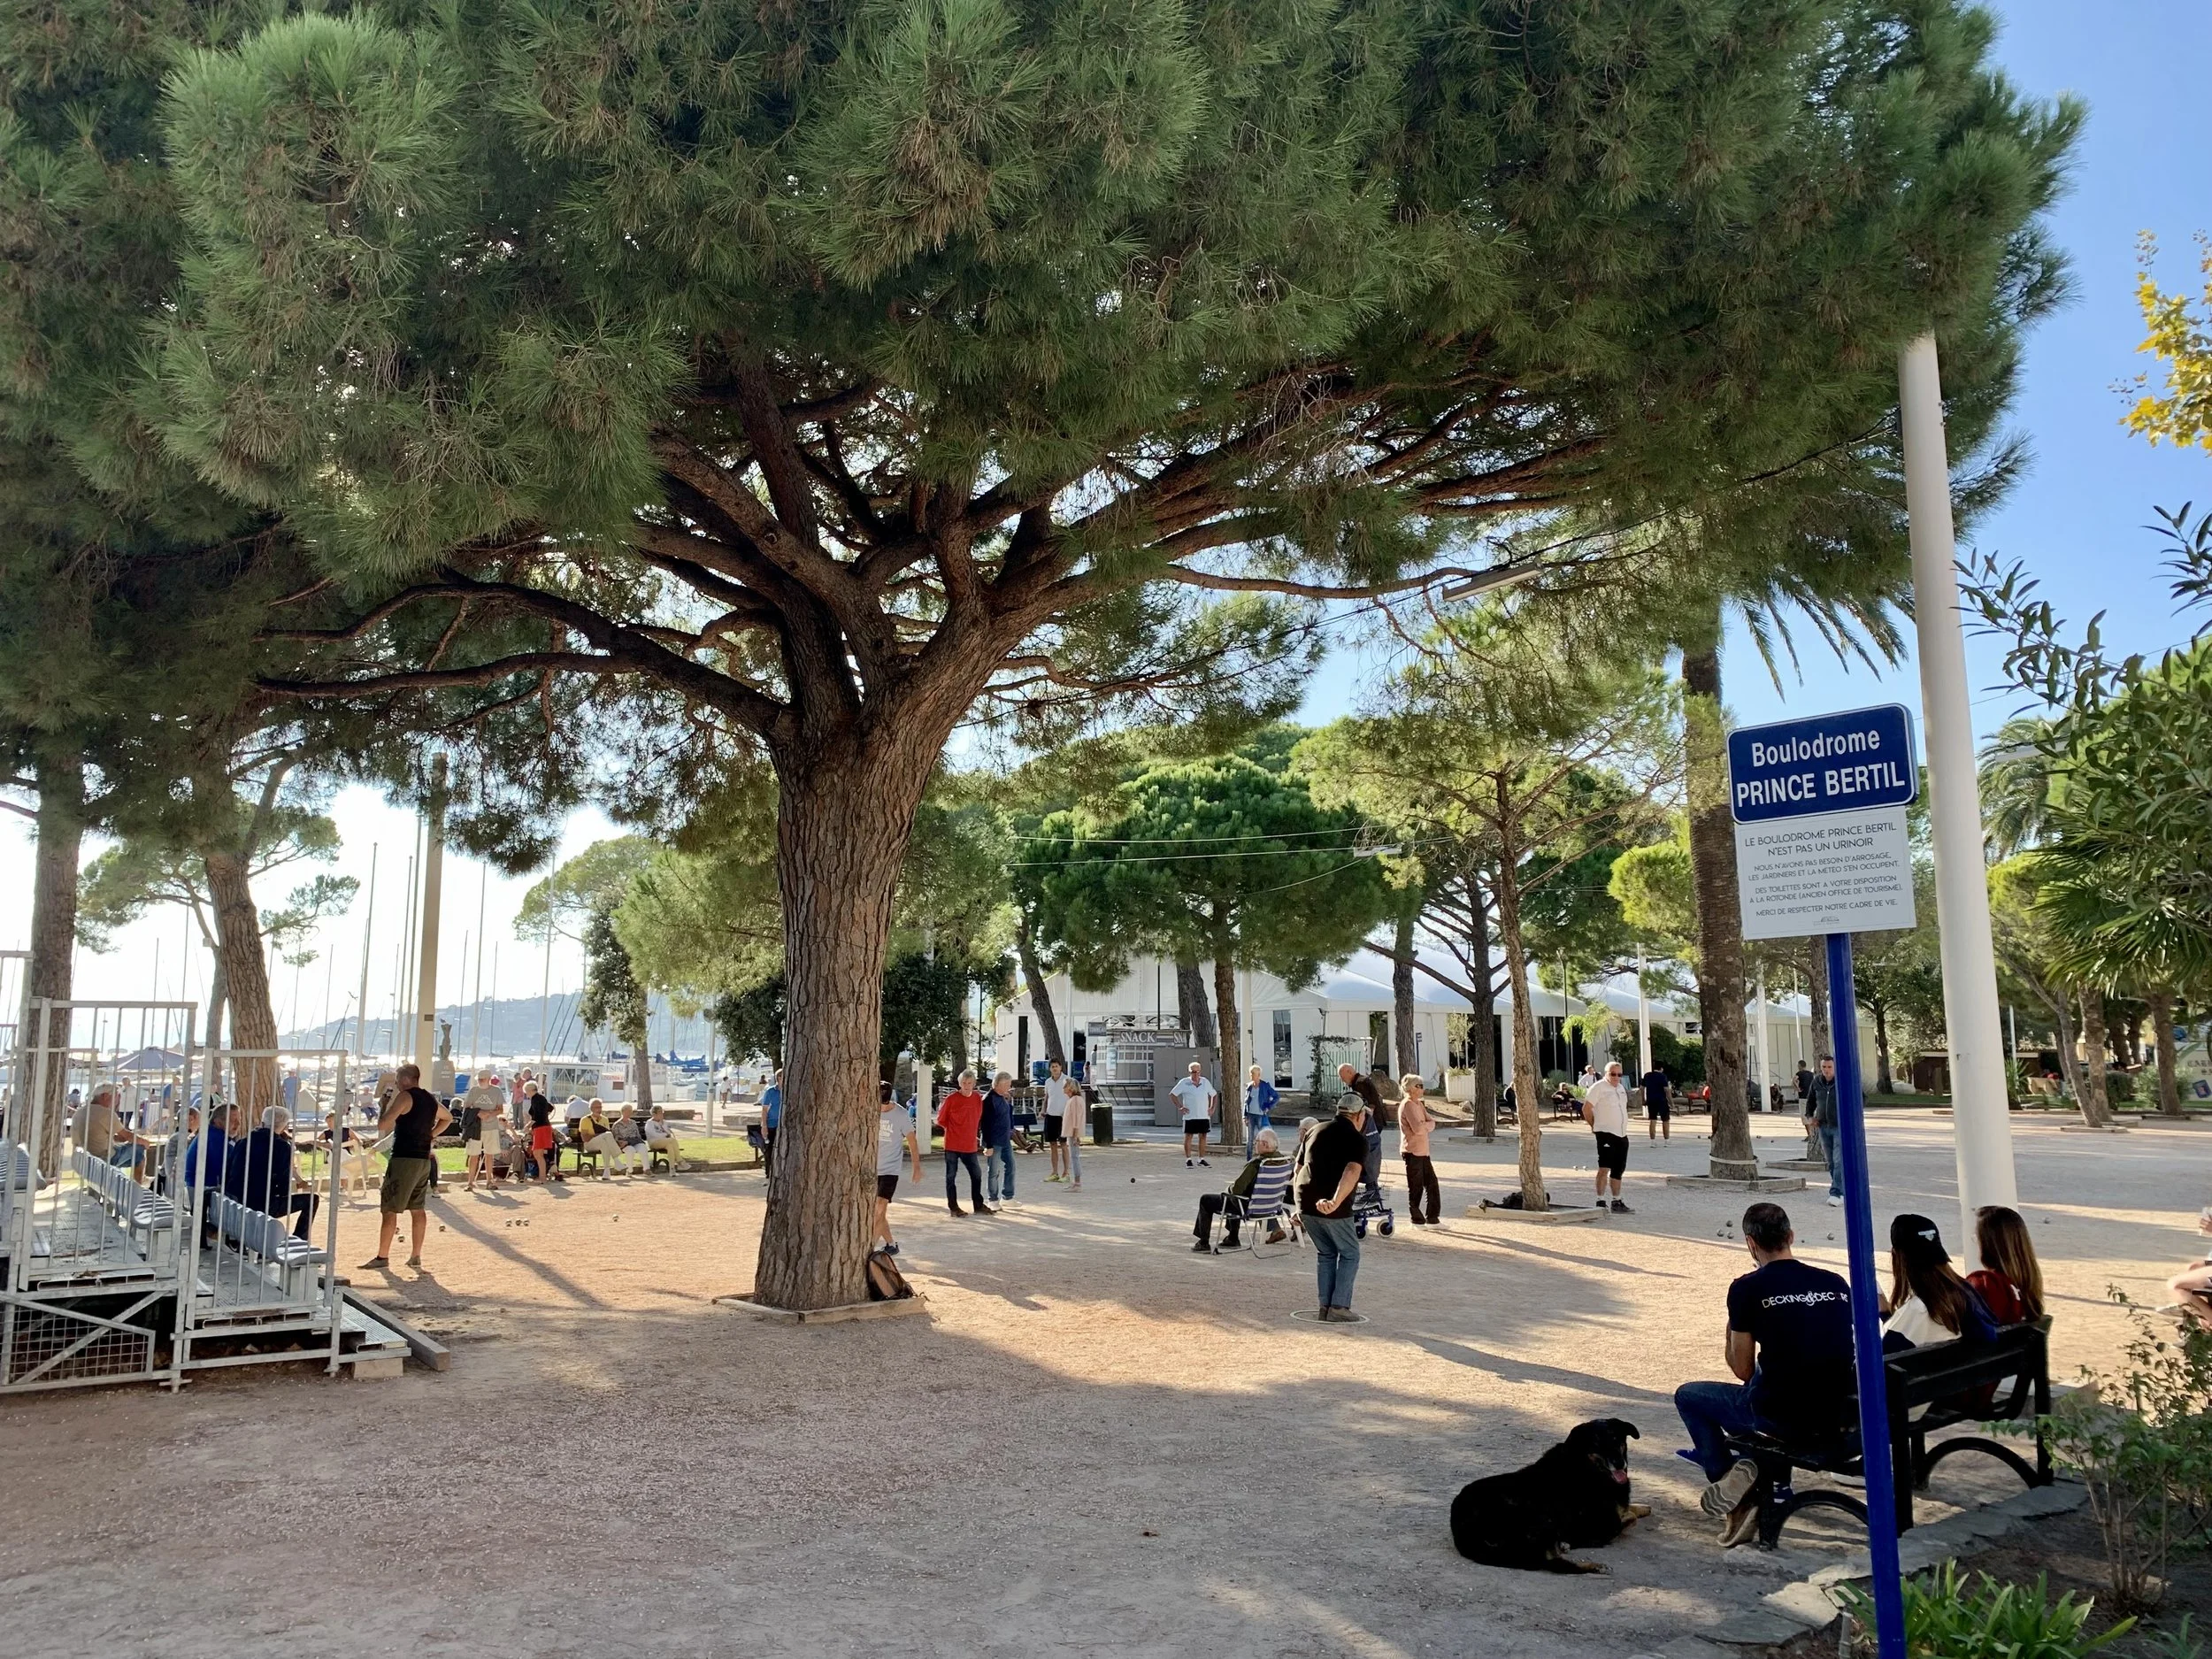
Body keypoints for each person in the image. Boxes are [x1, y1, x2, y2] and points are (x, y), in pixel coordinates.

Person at [1672, 1202, 1855, 1548]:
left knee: (1689, 1396)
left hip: (1782, 1419)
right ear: (1791, 1236)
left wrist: (1732, 1326)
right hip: (1838, 1413)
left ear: (1750, 1244)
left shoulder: (1747, 1288)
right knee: (1779, 1372)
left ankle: (1730, 1482)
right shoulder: (1834, 1282)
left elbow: (1740, 1368)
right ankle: (1760, 1472)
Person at [362, 1063, 449, 1271]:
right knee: (417, 1208)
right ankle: (415, 1255)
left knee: (390, 1208)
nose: (396, 1084)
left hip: (403, 1159)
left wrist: (384, 1104)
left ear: (406, 1079)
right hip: (423, 1159)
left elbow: (383, 1124)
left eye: (398, 1079)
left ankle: (383, 1256)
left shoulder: (405, 1097)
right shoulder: (429, 1098)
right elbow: (448, 1118)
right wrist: (430, 1135)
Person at [1883, 1213, 2000, 1351]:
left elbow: (1883, 1355)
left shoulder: (1918, 1311)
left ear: (1897, 1257)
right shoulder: (1968, 1294)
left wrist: (1883, 1314)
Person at [1301, 1102, 1370, 1321]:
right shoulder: (1357, 1139)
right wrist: (1335, 1201)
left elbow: (1299, 1168)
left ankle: (1325, 1307)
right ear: (1358, 1115)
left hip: (1306, 1203)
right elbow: (1352, 1172)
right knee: (1350, 1253)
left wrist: (1297, 1207)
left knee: (1326, 1253)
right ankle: (1339, 1306)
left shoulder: (1315, 1130)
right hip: (1333, 1207)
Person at [1192, 1127, 1286, 1250]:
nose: (1255, 1144)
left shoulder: (1257, 1164)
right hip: (1271, 1206)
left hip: (1249, 1207)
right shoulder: (1283, 1161)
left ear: (1265, 1144)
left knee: (1208, 1199)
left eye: (1256, 1141)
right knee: (1233, 1197)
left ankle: (1204, 1242)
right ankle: (1232, 1238)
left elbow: (1237, 1189)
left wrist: (1229, 1189)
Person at [234, 1106, 319, 1240]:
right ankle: (301, 1238)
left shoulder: (243, 1142)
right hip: (263, 1204)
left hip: (237, 1199)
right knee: (312, 1200)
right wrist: (285, 1193)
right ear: (284, 1126)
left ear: (263, 1122)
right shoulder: (282, 1147)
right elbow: (284, 1183)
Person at [875, 1081, 922, 1253]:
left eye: (885, 1104)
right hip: (872, 1169)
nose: (882, 1108)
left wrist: (916, 1168)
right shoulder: (869, 1110)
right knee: (877, 1212)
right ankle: (891, 1244)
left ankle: (868, 1251)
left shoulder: (901, 1114)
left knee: (879, 1210)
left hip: (890, 1169)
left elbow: (912, 1141)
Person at [1581, 1060, 1632, 1213]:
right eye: (1613, 1074)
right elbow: (1586, 1109)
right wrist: (1594, 1126)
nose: (1616, 1077)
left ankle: (1616, 1200)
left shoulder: (1621, 1088)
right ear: (1606, 1074)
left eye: (1619, 1074)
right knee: (1604, 1167)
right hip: (1605, 1133)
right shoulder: (1598, 1087)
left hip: (1621, 1134)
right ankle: (1600, 1200)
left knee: (1619, 1169)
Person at [936, 1070, 991, 1216]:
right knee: (951, 1177)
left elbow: (979, 1117)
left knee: (976, 1175)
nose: (966, 1086)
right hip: (952, 1145)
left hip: (969, 1145)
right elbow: (941, 1120)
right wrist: (956, 1129)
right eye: (964, 1083)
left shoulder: (977, 1098)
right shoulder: (951, 1099)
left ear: (974, 1084)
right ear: (959, 1084)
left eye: (969, 1083)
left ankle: (978, 1205)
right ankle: (954, 1207)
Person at [1333, 1064, 1386, 1197]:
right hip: (1372, 1122)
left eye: (1342, 1076)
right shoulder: (1362, 1081)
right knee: (1368, 1153)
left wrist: (1365, 1120)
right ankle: (1371, 1187)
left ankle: (1371, 1189)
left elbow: (1370, 1104)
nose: (1342, 1080)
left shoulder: (1360, 1083)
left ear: (1349, 1072)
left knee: (1366, 1153)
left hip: (1369, 1124)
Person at [1397, 1072, 1440, 1226]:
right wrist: (1425, 1126)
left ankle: (1433, 1218)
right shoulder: (1408, 1104)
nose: (1422, 1089)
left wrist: (1425, 1125)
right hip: (1412, 1151)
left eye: (1422, 1086)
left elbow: (1432, 1122)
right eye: (1419, 1086)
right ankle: (1416, 1219)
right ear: (1410, 1088)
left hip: (1423, 1152)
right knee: (1416, 1187)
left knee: (1432, 1184)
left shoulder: (1419, 1104)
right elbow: (1418, 1129)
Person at [1802, 1056, 1841, 1206]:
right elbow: (1811, 1101)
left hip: (1839, 1127)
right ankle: (1841, 1189)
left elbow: (1861, 1099)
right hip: (1823, 1126)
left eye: (1829, 1067)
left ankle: (1836, 1192)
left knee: (1838, 1160)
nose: (1826, 1070)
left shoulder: (1841, 1081)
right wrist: (1810, 1117)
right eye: (1824, 1067)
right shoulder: (1817, 1082)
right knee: (1831, 1161)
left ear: (1835, 1067)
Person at [460, 1070, 507, 1192]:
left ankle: (489, 1181)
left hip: (491, 1127)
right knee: (473, 1155)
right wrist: (479, 1113)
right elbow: (466, 1107)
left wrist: (490, 1114)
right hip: (475, 1127)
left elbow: (500, 1109)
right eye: (479, 1079)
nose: (480, 1081)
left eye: (482, 1079)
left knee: (489, 1155)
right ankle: (470, 1182)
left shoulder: (496, 1091)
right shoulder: (473, 1090)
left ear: (489, 1079)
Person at [1042, 1059, 1083, 1187]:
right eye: (1052, 1066)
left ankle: (1066, 1172)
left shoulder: (1067, 1081)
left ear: (1061, 1067)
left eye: (1056, 1066)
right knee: (1052, 1144)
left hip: (1063, 1116)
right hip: (1051, 1115)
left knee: (1064, 1144)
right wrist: (1043, 1110)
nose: (1054, 1068)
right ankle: (1054, 1172)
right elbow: (1047, 1097)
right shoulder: (1048, 1082)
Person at [1173, 1061, 1218, 1166]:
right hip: (1190, 1115)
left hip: (1203, 1114)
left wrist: (1212, 1108)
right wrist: (1180, 1106)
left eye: (1198, 1072)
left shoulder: (1205, 1082)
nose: (1196, 1074)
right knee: (1189, 1136)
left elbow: (1214, 1094)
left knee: (1203, 1136)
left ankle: (1201, 1159)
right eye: (1193, 1072)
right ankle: (1188, 1159)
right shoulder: (1184, 1082)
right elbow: (1173, 1094)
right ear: (1189, 1072)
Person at [578, 1099, 620, 1179]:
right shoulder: (585, 1120)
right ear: (591, 1108)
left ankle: (607, 1172)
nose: (599, 1109)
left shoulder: (605, 1119)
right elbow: (585, 1138)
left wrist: (600, 1136)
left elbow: (608, 1138)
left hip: (601, 1143)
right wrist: (599, 1135)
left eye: (600, 1107)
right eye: (597, 1107)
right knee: (607, 1135)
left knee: (604, 1143)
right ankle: (616, 1160)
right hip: (589, 1145)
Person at [526, 1091, 562, 1182]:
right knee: (538, 1153)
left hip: (540, 1128)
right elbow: (550, 1107)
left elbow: (536, 1116)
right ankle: (542, 1177)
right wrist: (545, 1115)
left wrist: (528, 1125)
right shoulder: (541, 1099)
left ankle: (542, 1177)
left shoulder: (535, 1099)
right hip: (543, 1127)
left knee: (538, 1153)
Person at [642, 1105, 688, 1171]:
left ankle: (672, 1169)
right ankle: (679, 1160)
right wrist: (665, 1135)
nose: (662, 1114)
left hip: (665, 1142)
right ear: (654, 1114)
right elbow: (654, 1135)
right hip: (654, 1142)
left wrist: (662, 1124)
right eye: (660, 1112)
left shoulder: (664, 1122)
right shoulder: (649, 1123)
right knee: (672, 1140)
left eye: (662, 1112)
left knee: (670, 1146)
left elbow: (668, 1133)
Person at [1244, 1064, 1279, 1144]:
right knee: (1250, 1139)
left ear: (1258, 1075)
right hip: (1250, 1114)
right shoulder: (1249, 1086)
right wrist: (1244, 1116)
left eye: (1253, 1073)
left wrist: (1268, 1106)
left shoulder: (1265, 1086)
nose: (1251, 1075)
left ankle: (1263, 1149)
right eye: (1250, 1073)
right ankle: (1249, 1152)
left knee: (1263, 1136)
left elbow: (1276, 1096)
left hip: (1260, 1114)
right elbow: (1246, 1102)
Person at [611, 1104, 649, 1175]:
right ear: (622, 1112)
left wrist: (630, 1141)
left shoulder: (633, 1123)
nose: (630, 1113)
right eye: (628, 1111)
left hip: (635, 1142)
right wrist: (622, 1142)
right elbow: (616, 1139)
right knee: (630, 1150)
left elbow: (638, 1136)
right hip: (625, 1145)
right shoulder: (617, 1125)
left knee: (643, 1148)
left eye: (631, 1111)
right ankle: (629, 1170)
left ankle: (646, 1169)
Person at [1640, 1063, 1672, 1141]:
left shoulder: (1647, 1075)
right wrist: (1671, 1102)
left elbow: (1642, 1088)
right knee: (1665, 1120)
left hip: (1651, 1100)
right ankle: (1666, 1140)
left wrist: (1643, 1100)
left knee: (1652, 1120)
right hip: (1662, 1100)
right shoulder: (1663, 1076)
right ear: (1661, 1068)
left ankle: (1653, 1141)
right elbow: (1666, 1090)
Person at [760, 1069, 784, 1164]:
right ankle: (769, 1168)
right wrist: (764, 1125)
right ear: (779, 1078)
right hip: (772, 1124)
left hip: (784, 1124)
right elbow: (764, 1109)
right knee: (770, 1149)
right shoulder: (770, 1091)